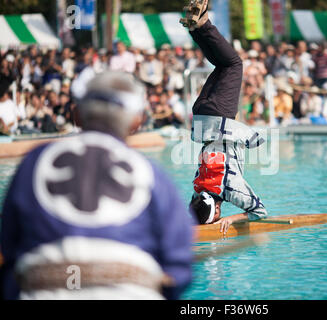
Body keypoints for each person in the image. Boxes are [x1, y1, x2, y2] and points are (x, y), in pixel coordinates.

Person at [0, 71, 193, 300]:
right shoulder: (151, 174)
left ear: (77, 115)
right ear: (136, 121)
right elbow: (179, 269)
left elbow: (9, 247)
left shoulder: (34, 162)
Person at [181, 0, 267, 234]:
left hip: (218, 118)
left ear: (217, 213)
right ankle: (197, 28)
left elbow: (260, 213)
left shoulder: (231, 189)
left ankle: (202, 23)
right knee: (222, 66)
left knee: (234, 64)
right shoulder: (198, 188)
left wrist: (232, 220)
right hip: (200, 117)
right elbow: (197, 207)